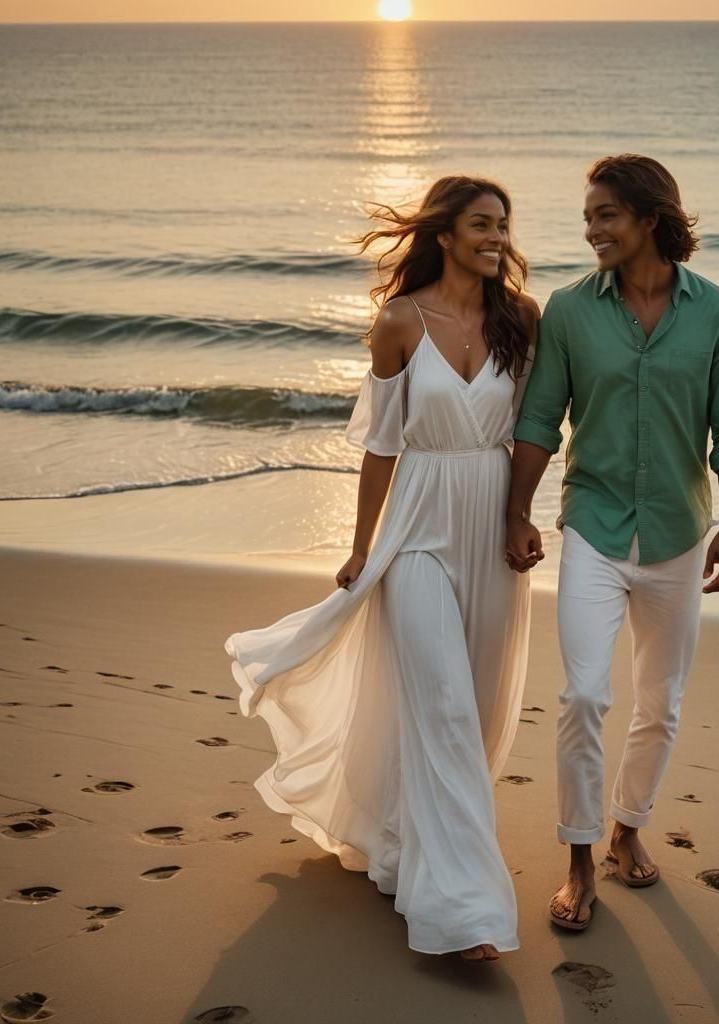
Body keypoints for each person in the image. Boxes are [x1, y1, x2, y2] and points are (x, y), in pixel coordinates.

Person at [225, 175, 539, 962]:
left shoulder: (519, 320)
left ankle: (403, 841)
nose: (497, 236)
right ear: (444, 233)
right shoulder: (400, 321)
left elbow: (537, 430)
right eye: (482, 223)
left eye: (503, 224)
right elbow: (381, 445)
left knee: (474, 703)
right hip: (420, 528)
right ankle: (463, 908)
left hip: (493, 523)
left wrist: (522, 516)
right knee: (442, 705)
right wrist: (364, 546)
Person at [505, 153, 719, 931]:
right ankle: (579, 859)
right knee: (583, 694)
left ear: (650, 219)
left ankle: (627, 829)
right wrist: (518, 512)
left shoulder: (716, 311)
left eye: (606, 216)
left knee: (662, 702)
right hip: (594, 523)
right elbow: (539, 420)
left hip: (681, 532)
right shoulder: (570, 312)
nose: (592, 231)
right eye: (588, 217)